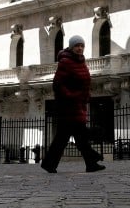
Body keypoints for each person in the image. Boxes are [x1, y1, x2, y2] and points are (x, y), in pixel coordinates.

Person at [40, 35, 105, 173]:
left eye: (82, 46)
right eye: (77, 46)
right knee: (73, 137)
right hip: (68, 107)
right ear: (71, 47)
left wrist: (85, 96)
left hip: (79, 105)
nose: (80, 48)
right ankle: (91, 160)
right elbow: (58, 84)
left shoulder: (81, 61)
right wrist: (71, 96)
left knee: (70, 137)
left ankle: (51, 163)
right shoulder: (66, 62)